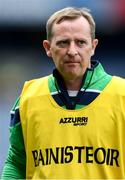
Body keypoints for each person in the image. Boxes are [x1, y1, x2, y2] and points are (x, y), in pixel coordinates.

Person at [1, 6, 125, 179]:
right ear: (48, 47)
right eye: (63, 42)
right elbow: (16, 163)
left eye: (80, 42)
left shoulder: (122, 96)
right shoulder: (28, 99)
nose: (72, 51)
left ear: (93, 46)